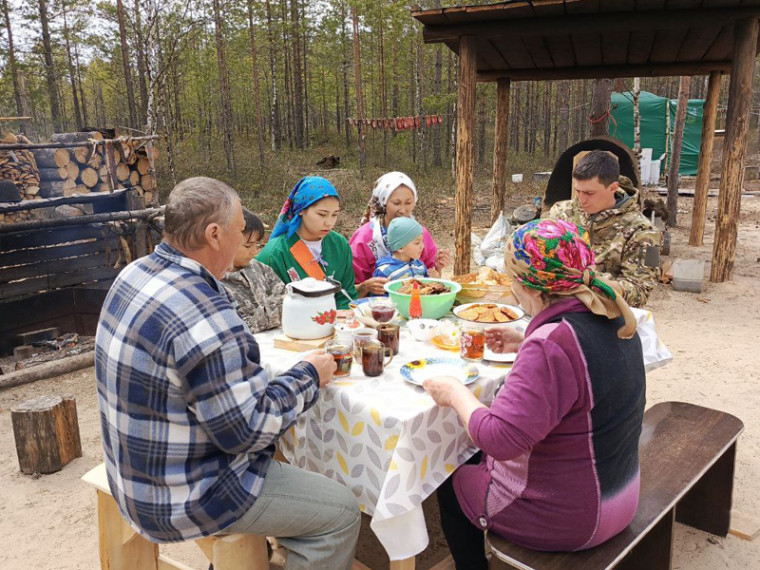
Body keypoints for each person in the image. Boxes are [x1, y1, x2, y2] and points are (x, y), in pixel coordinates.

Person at [95, 177, 360, 570]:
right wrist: (308, 375)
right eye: (240, 233)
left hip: (131, 471)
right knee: (340, 512)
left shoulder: (133, 274)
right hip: (182, 494)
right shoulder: (207, 311)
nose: (244, 245)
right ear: (214, 234)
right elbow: (247, 431)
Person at [423, 219, 646, 569]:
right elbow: (579, 370)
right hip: (620, 495)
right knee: (470, 455)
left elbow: (499, 438)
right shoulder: (611, 313)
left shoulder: (552, 344)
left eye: (513, 277)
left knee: (449, 477)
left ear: (531, 287)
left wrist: (454, 393)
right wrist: (526, 340)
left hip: (572, 518)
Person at [547, 150, 660, 308]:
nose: (582, 200)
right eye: (578, 191)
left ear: (613, 187)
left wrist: (591, 280)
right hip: (555, 307)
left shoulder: (646, 233)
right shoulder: (560, 212)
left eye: (589, 193)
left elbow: (642, 292)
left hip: (605, 317)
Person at [257, 176, 358, 310]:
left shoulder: (340, 245)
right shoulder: (276, 253)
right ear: (301, 210)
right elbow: (265, 307)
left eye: (335, 215)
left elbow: (346, 296)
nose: (329, 222)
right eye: (322, 214)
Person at [350, 171, 449, 295]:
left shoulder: (420, 234)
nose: (402, 210)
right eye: (396, 203)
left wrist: (438, 268)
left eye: (408, 203)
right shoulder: (364, 238)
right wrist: (365, 287)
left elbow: (430, 283)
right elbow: (349, 289)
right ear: (384, 202)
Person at [222, 208, 286, 333]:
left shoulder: (259, 268)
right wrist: (279, 307)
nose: (254, 251)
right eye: (247, 246)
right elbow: (243, 326)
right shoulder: (217, 282)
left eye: (256, 244)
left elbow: (283, 292)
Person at [372, 217, 434, 282]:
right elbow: (377, 291)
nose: (423, 246)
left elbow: (427, 286)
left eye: (422, 241)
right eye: (417, 243)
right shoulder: (384, 271)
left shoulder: (419, 265)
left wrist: (434, 279)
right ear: (400, 247)